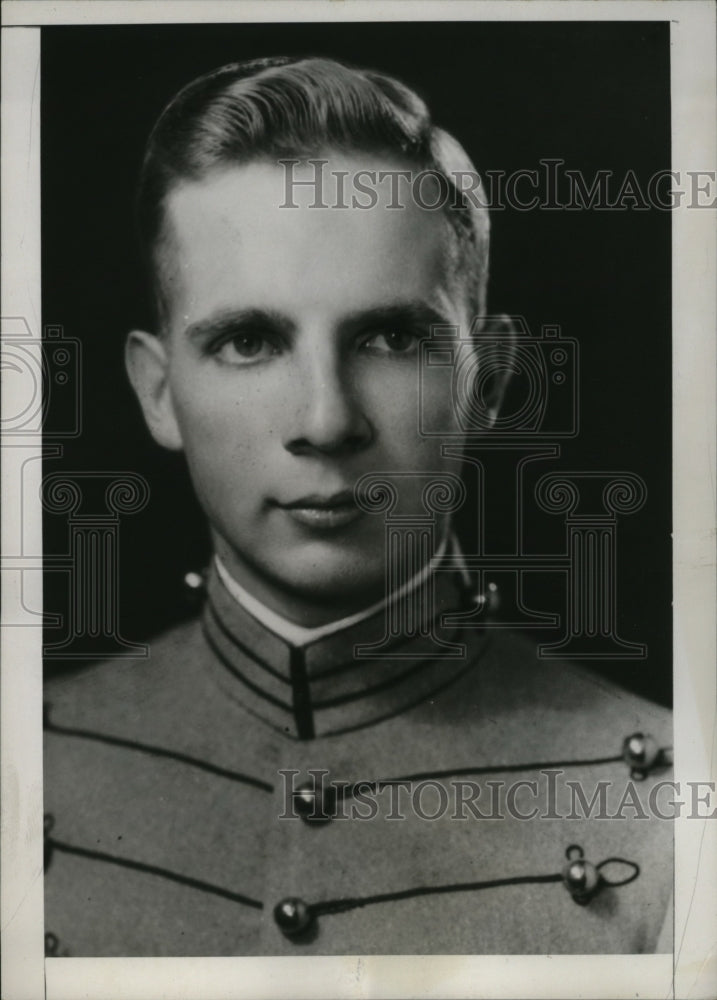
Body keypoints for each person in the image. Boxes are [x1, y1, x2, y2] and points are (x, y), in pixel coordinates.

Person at [43, 55, 672, 957]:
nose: (326, 421)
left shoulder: (674, 818)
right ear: (156, 392)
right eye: (249, 341)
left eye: (388, 337)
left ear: (488, 379)